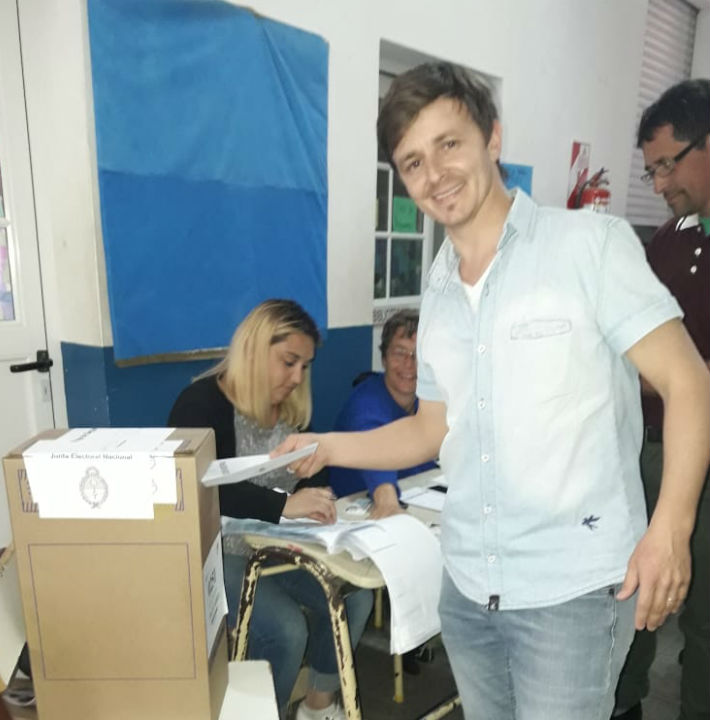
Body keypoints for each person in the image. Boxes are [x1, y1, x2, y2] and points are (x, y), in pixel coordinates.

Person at [274, 63, 710, 720]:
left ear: (493, 138)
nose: (435, 174)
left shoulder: (588, 246)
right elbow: (430, 428)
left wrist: (670, 531)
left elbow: (688, 381)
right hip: (468, 590)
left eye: (449, 144)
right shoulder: (439, 291)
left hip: (570, 595)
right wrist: (327, 446)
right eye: (413, 162)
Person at [168, 299, 373, 720]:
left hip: (274, 544)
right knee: (285, 630)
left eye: (305, 366)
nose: (297, 377)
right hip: (213, 551)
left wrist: (316, 496)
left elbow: (310, 474)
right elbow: (197, 486)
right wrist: (284, 505)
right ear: (254, 350)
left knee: (354, 597)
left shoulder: (290, 409)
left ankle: (317, 707)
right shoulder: (199, 403)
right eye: (289, 362)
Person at [613, 78, 710, 720]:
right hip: (644, 450)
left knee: (703, 621)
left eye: (667, 165)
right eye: (651, 171)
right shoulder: (670, 238)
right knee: (634, 597)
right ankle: (624, 706)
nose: (659, 184)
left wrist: (653, 373)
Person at [328, 309, 436, 518]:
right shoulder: (366, 403)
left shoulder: (426, 401)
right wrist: (387, 501)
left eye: (418, 355)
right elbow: (375, 454)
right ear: (384, 358)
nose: (409, 364)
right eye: (399, 353)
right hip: (356, 514)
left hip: (416, 499)